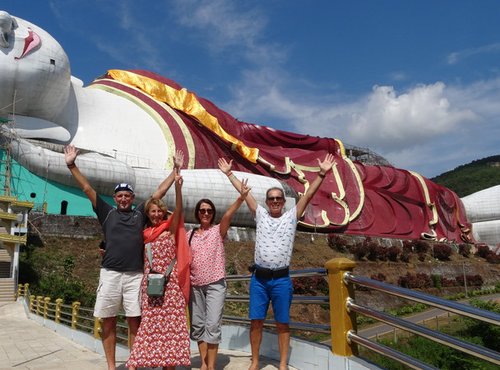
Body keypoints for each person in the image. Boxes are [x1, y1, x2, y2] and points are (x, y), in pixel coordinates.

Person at [64, 144, 183, 370]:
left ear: (133, 197)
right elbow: (87, 188)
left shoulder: (140, 214)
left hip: (135, 275)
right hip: (110, 273)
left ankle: (133, 364)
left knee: (134, 321)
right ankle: (111, 366)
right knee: (108, 320)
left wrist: (175, 171)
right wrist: (71, 165)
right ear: (115, 197)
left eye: (128, 195)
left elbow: (159, 192)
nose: (124, 199)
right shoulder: (106, 212)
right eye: (120, 195)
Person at [218, 154, 335, 370]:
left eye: (278, 199)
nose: (274, 202)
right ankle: (254, 362)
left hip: (281, 279)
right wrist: (229, 174)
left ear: (283, 202)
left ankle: (282, 364)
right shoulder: (260, 214)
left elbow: (308, 195)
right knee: (256, 322)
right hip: (259, 280)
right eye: (271, 199)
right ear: (266, 202)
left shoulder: (291, 217)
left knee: (283, 323)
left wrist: (321, 174)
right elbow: (245, 194)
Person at [127, 172, 191, 370]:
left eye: (159, 211)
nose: (156, 215)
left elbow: (179, 209)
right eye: (152, 211)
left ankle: (168, 367)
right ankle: (135, 363)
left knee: (170, 331)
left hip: (171, 288)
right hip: (151, 288)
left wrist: (178, 187)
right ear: (148, 214)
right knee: (148, 327)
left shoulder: (169, 229)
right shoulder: (145, 234)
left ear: (164, 212)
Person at [187, 173, 250, 370]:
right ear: (197, 213)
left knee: (212, 325)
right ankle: (204, 363)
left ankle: (211, 366)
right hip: (195, 286)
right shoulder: (189, 234)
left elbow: (228, 216)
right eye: (202, 210)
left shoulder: (218, 231)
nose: (205, 213)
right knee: (198, 326)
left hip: (215, 284)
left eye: (209, 211)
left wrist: (240, 198)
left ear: (213, 214)